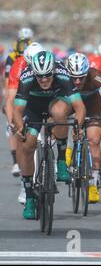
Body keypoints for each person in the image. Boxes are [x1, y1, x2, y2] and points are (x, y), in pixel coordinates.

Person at [13, 51, 86, 219]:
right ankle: (30, 196)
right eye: (40, 76)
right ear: (35, 73)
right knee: (27, 145)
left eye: (47, 75)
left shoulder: (62, 74)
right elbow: (17, 110)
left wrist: (78, 128)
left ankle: (61, 161)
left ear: (53, 71)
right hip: (34, 107)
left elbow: (79, 106)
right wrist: (19, 127)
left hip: (56, 100)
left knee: (60, 113)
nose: (44, 79)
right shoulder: (27, 77)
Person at [6, 42, 44, 204]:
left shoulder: (49, 63)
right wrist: (13, 123)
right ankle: (24, 182)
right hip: (26, 101)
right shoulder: (19, 66)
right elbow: (11, 101)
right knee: (23, 138)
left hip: (46, 98)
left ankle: (55, 160)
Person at [66, 53, 101, 204]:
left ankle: (93, 182)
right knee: (57, 120)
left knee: (94, 140)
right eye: (73, 78)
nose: (77, 81)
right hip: (71, 104)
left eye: (81, 77)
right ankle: (67, 150)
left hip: (93, 105)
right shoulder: (63, 77)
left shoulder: (96, 77)